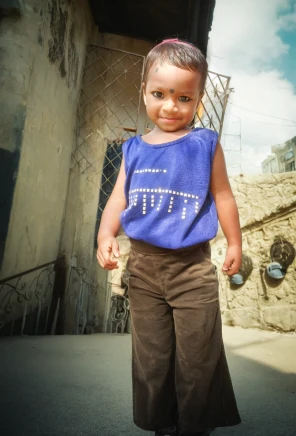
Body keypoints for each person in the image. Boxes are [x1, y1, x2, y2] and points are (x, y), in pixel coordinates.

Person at [97, 38, 242, 436]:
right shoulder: (132, 150)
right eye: (159, 94)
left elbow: (223, 195)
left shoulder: (205, 144)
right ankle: (163, 426)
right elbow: (117, 200)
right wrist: (106, 233)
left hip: (191, 270)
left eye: (183, 97)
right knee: (153, 358)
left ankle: (194, 426)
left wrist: (235, 242)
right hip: (143, 271)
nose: (170, 106)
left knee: (198, 357)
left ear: (197, 100)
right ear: (144, 91)